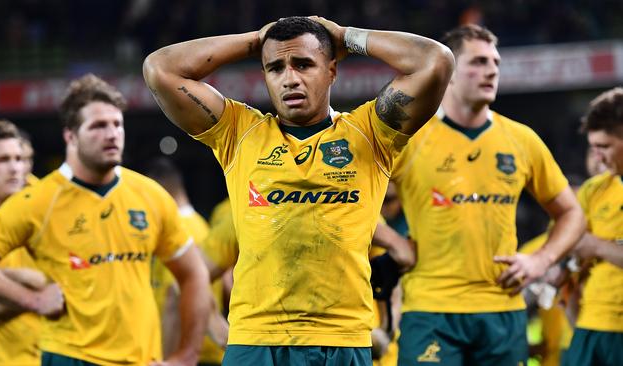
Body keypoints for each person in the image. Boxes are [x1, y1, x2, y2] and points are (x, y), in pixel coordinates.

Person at [144, 15, 453, 365]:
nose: (290, 78)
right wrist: (256, 40)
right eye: (275, 68)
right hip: (256, 342)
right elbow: (160, 69)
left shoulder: (371, 133)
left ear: (332, 71)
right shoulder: (239, 133)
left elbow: (435, 60)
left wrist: (345, 36)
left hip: (342, 341)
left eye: (304, 64)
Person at [0, 74, 211, 366]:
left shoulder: (149, 195)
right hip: (70, 356)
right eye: (98, 126)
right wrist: (31, 300)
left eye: (117, 124)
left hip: (140, 359)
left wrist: (186, 356)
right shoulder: (37, 201)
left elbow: (194, 274)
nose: (112, 134)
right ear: (70, 136)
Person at [391, 24, 585, 366]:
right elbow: (350, 190)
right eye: (479, 62)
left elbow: (572, 214)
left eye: (495, 62)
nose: (492, 70)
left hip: (502, 309)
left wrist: (540, 260)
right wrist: (393, 241)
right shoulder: (412, 140)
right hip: (431, 309)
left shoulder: (521, 140)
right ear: (449, 73)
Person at [0, 118, 45, 365]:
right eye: (3, 160)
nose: (16, 168)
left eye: (19, 159)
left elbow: (67, 284)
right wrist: (38, 291)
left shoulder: (37, 213)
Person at [142, 156, 226, 366]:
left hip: (189, 353)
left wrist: (169, 359)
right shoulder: (199, 225)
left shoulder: (179, 233)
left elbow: (175, 297)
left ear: (159, 192)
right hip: (203, 351)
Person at [562, 87, 623, 366]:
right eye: (593, 147)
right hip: (592, 326)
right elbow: (573, 260)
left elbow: (587, 245)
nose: (597, 157)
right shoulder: (593, 191)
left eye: (605, 146)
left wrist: (597, 245)